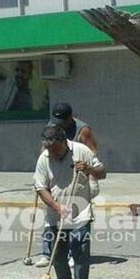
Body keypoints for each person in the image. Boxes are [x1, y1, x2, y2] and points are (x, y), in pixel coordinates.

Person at [33, 125, 106, 279]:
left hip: (80, 213)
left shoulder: (81, 151)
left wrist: (88, 168)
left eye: (56, 150)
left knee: (80, 252)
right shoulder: (44, 158)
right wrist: (56, 206)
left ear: (65, 142)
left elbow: (102, 173)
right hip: (55, 215)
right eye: (50, 151)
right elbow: (41, 188)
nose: (53, 155)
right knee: (57, 254)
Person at [35, 102, 100, 268]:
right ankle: (47, 253)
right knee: (51, 213)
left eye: (62, 120)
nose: (58, 124)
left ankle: (74, 253)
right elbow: (44, 148)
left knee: (76, 213)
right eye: (56, 120)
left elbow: (93, 153)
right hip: (57, 172)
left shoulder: (83, 130)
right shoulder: (52, 126)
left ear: (70, 118)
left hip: (78, 173)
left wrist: (87, 169)